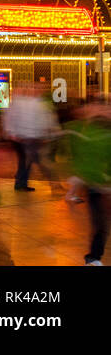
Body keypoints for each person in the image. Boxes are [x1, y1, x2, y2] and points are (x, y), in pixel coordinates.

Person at [66, 97, 111, 265]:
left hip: (100, 185)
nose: (107, 112)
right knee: (100, 223)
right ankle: (93, 257)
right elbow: (84, 161)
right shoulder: (87, 132)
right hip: (97, 186)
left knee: (101, 223)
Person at [4, 84, 62, 192]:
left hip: (32, 137)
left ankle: (21, 183)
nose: (37, 91)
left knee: (28, 161)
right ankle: (54, 184)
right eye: (35, 88)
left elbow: (45, 119)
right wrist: (13, 133)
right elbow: (13, 118)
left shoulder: (38, 103)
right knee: (41, 162)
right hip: (28, 138)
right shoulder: (24, 102)